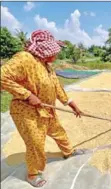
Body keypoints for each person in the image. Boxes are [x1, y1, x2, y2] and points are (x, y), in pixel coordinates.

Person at [1, 30, 85, 187]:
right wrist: (26, 95)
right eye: (54, 51)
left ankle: (68, 152)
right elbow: (2, 76)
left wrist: (69, 102)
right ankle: (33, 174)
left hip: (47, 110)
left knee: (58, 131)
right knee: (35, 143)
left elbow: (56, 86)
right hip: (27, 112)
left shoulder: (47, 65)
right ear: (45, 50)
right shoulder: (25, 59)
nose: (57, 54)